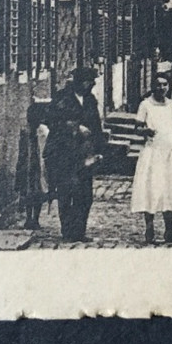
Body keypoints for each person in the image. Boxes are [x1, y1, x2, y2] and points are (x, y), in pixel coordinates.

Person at [41, 69, 104, 242]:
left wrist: (99, 150)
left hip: (85, 154)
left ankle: (80, 231)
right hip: (64, 154)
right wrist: (76, 128)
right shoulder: (63, 98)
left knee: (85, 195)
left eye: (92, 81)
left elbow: (97, 125)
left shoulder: (90, 100)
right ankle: (68, 231)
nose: (92, 84)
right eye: (88, 81)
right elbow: (51, 121)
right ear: (78, 81)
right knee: (67, 193)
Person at [131, 74, 172, 244]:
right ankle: (149, 230)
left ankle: (170, 230)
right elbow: (137, 128)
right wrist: (145, 131)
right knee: (152, 188)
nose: (161, 88)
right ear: (153, 86)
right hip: (153, 153)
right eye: (158, 84)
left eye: (165, 85)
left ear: (169, 86)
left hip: (169, 153)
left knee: (170, 188)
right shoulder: (145, 105)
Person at [14, 111, 50, 230]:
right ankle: (29, 218)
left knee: (39, 193)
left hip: (40, 166)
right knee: (27, 193)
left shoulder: (44, 131)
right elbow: (22, 150)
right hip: (27, 166)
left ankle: (36, 219)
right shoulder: (25, 131)